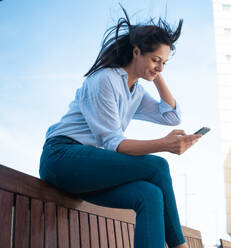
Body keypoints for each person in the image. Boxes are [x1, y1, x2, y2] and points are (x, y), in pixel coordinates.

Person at [39, 5, 201, 248]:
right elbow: (114, 144)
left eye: (165, 63)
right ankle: (180, 245)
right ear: (136, 51)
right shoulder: (105, 79)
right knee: (158, 166)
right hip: (62, 158)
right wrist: (164, 145)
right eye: (155, 59)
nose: (160, 67)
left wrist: (156, 70)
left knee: (151, 195)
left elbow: (171, 116)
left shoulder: (135, 91)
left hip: (87, 171)